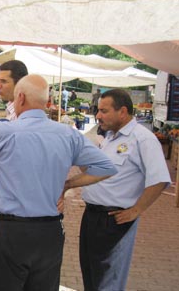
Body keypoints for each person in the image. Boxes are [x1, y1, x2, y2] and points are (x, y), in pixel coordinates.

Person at [0, 74, 117, 291]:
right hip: (51, 232)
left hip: (13, 232)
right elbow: (107, 168)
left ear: (20, 98)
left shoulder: (5, 131)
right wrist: (68, 184)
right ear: (46, 101)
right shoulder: (68, 134)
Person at [77, 89, 171, 291]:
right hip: (92, 217)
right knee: (92, 277)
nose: (98, 116)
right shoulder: (111, 137)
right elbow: (98, 172)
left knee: (107, 282)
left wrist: (136, 210)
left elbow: (160, 179)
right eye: (97, 110)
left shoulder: (142, 139)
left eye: (104, 111)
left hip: (113, 220)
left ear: (123, 111)